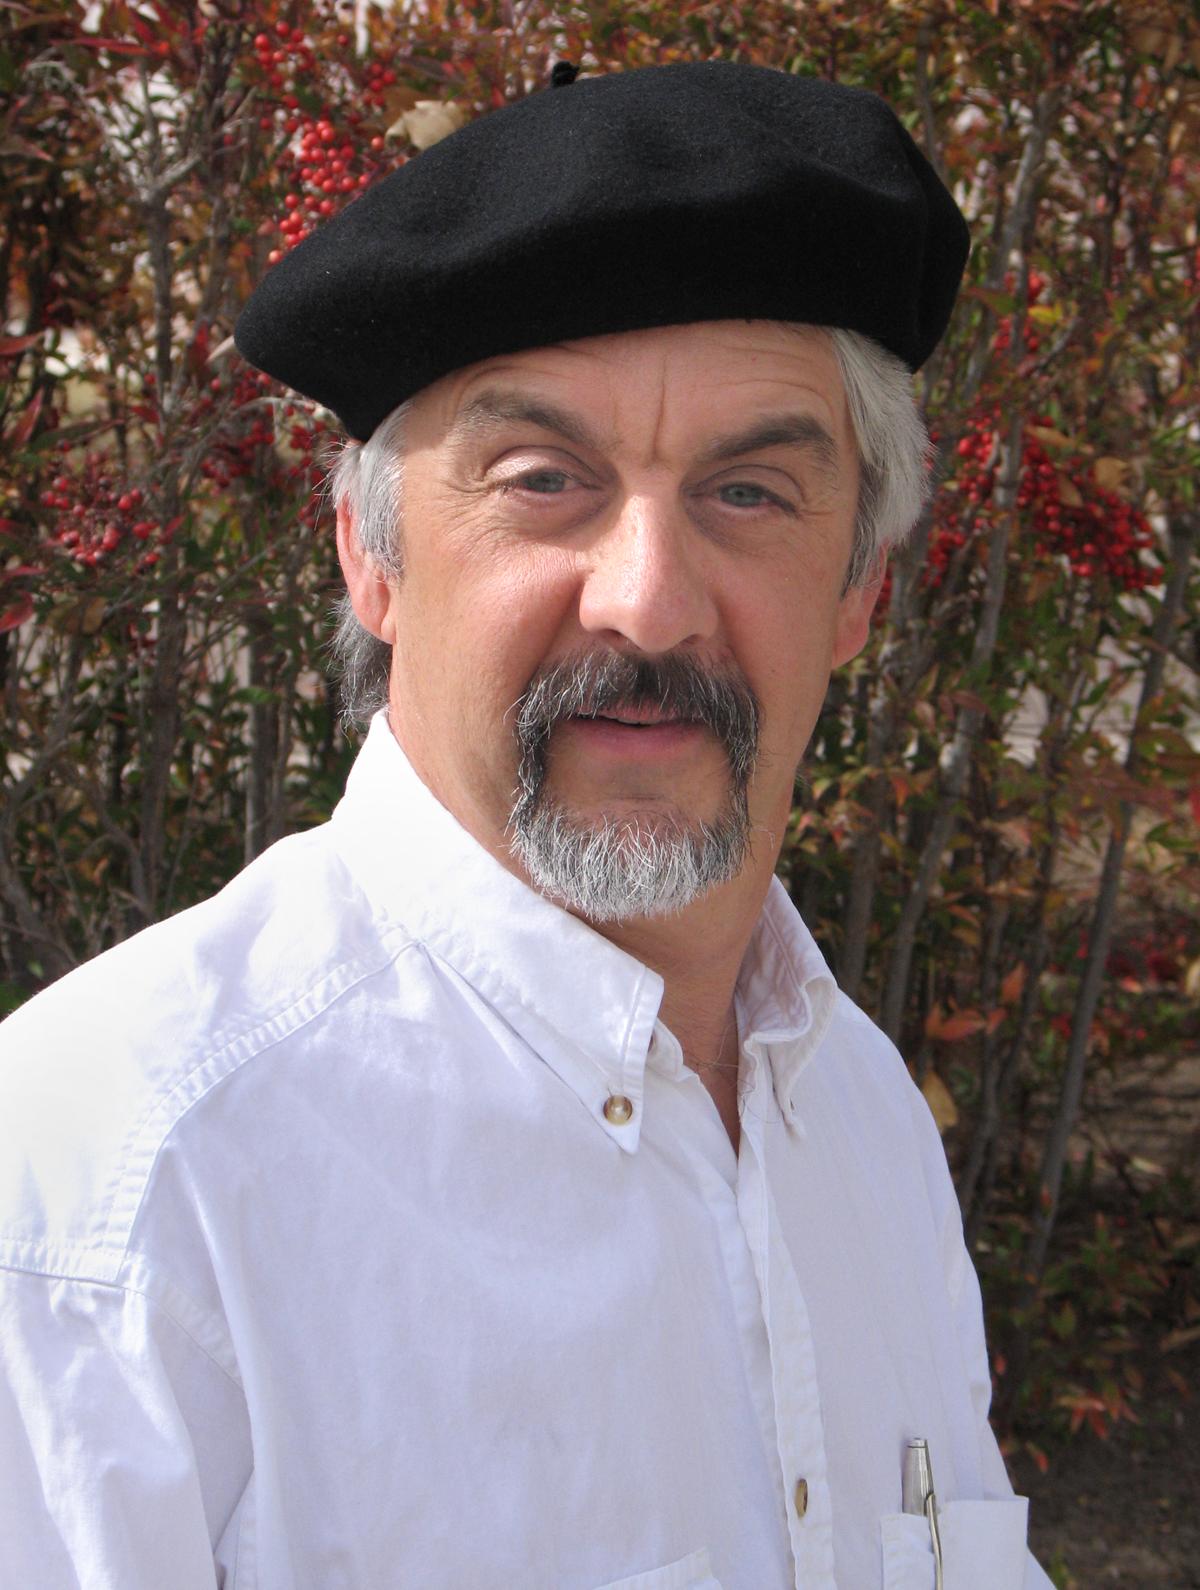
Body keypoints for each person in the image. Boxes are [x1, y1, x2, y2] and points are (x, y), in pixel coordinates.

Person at [0, 62, 1052, 1589]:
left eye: (750, 492)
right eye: (544, 479)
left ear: (861, 587)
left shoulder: (861, 1117)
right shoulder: (116, 1199)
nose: (647, 595)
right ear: (371, 555)